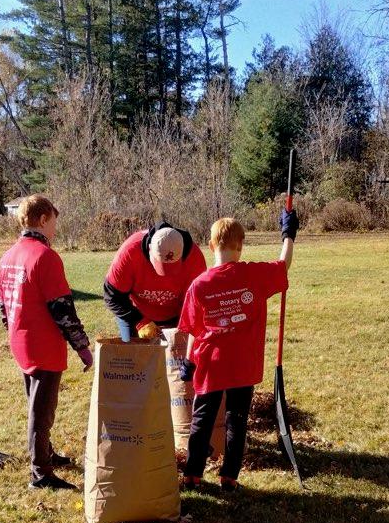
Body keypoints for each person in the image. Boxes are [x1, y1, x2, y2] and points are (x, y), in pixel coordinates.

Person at [177, 209, 299, 491]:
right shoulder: (253, 275)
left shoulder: (199, 284)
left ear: (210, 246)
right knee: (237, 420)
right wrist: (288, 234)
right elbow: (283, 264)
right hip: (243, 364)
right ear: (241, 246)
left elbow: (194, 329)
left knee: (203, 419)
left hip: (211, 363)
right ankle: (229, 477)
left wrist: (188, 361)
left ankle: (192, 474)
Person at [0, 195, 92, 490]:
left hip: (21, 340)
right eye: (53, 221)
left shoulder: (9, 256)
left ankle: (46, 452)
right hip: (43, 345)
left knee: (35, 402)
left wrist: (13, 330)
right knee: (42, 410)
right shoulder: (45, 257)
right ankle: (41, 472)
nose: (55, 228)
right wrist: (84, 349)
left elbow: (3, 306)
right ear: (42, 220)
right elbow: (62, 310)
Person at [103, 222, 207, 340]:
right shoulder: (130, 252)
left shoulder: (195, 258)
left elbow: (195, 303)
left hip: (176, 314)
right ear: (149, 249)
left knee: (176, 356)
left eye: (172, 266)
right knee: (132, 355)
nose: (165, 275)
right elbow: (112, 296)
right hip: (135, 313)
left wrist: (182, 327)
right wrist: (140, 322)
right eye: (161, 265)